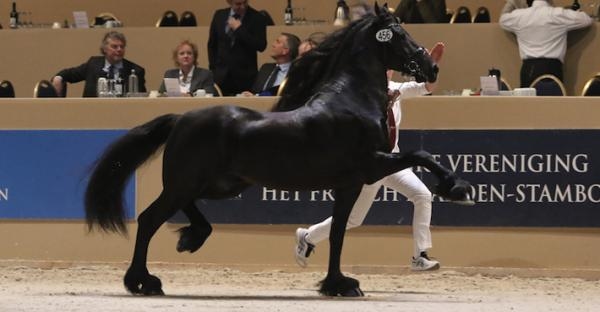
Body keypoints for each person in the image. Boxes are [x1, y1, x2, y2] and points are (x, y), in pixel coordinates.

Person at [295, 43, 446, 272]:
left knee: (422, 195)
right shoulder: (358, 93)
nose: (387, 71)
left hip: (393, 162)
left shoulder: (397, 88)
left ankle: (420, 255)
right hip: (371, 164)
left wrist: (432, 67)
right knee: (354, 220)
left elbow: (427, 86)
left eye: (389, 68)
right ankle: (308, 236)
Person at [499, 0, 593, 88]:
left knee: (527, 104)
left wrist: (512, 2)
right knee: (553, 104)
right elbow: (586, 19)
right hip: (553, 67)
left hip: (529, 68)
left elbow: (502, 19)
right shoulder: (557, 14)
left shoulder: (520, 16)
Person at [51, 31, 146, 97]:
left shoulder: (136, 71)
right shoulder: (93, 64)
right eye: (114, 46)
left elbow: (141, 100)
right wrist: (58, 78)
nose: (119, 50)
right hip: (91, 113)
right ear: (104, 49)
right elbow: (70, 74)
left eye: (122, 47)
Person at [207, 0, 268, 96]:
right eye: (238, 4)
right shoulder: (220, 15)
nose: (243, 7)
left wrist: (239, 29)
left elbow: (261, 45)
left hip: (245, 77)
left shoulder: (257, 17)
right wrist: (213, 69)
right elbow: (212, 45)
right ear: (230, 2)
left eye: (245, 3)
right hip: (221, 75)